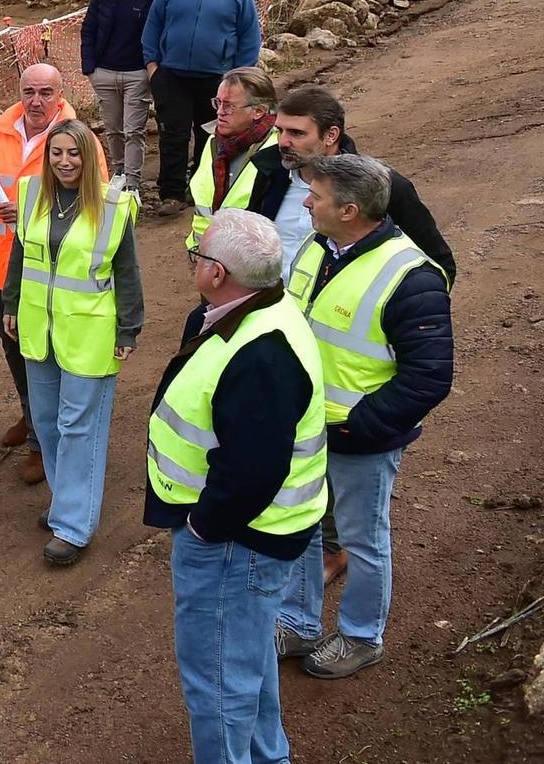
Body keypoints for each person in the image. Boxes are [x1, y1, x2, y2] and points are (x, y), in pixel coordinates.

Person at [146, 209, 326, 764]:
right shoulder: (259, 312)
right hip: (250, 536)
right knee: (245, 665)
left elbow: (253, 471)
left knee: (219, 686)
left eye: (197, 255)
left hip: (235, 542)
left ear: (217, 272)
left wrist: (203, 528)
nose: (193, 262)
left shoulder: (261, 353)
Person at [274, 154, 453, 680]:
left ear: (349, 210)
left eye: (317, 197)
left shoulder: (411, 276)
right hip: (304, 427)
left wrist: (361, 425)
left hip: (360, 439)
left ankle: (361, 636)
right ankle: (298, 623)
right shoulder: (317, 248)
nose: (306, 203)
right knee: (303, 526)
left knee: (362, 540)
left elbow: (429, 377)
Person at [1, 119, 143, 565]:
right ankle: (66, 501)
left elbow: (127, 271)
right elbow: (20, 254)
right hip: (39, 328)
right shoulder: (31, 195)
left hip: (90, 333)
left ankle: (73, 526)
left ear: (89, 157)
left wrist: (128, 328)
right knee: (46, 423)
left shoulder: (113, 206)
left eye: (74, 153)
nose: (65, 162)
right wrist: (10, 302)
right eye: (57, 153)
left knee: (79, 427)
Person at [0, 63, 101, 485]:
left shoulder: (77, 138)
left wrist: (31, 213)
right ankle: (30, 414)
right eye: (29, 92)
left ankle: (43, 441)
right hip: (2, 265)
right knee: (14, 349)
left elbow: (97, 201)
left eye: (45, 93)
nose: (36, 101)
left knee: (43, 355)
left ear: (60, 94)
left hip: (50, 270)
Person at [247, 84, 456, 284]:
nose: (283, 142)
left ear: (331, 135)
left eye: (296, 133)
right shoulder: (270, 173)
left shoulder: (381, 186)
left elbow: (437, 264)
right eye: (280, 131)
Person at [143, 0, 262, 218]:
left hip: (216, 80)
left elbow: (249, 39)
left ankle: (200, 189)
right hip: (172, 77)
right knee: (172, 135)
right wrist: (153, 69)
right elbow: (152, 27)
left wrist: (235, 80)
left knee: (209, 136)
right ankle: (171, 194)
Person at [81, 0, 157, 186]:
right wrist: (90, 69)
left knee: (134, 130)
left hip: (137, 73)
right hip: (104, 72)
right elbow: (88, 30)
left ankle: (132, 182)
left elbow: (160, 33)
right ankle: (120, 173)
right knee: (113, 129)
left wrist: (153, 68)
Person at [184, 66, 280, 252]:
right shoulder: (214, 141)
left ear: (258, 111)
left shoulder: (276, 150)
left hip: (251, 258)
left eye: (229, 106)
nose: (219, 112)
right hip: (207, 253)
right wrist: (199, 250)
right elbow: (203, 208)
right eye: (218, 103)